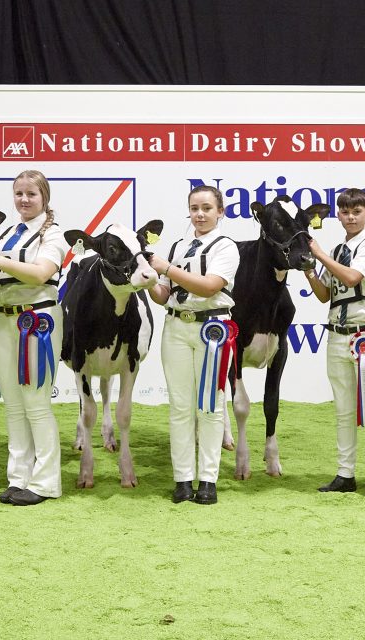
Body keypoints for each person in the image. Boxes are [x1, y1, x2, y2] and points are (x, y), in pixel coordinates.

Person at [0, 169, 69, 506]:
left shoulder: (54, 235)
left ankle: (45, 482)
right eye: (19, 194)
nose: (24, 200)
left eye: (31, 194)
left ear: (45, 197)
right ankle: (19, 478)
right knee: (14, 405)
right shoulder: (7, 232)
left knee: (36, 403)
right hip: (3, 319)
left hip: (38, 320)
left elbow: (42, 273)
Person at [148, 185, 239, 505]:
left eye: (206, 208)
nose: (199, 214)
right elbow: (163, 295)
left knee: (211, 405)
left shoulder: (225, 247)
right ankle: (183, 479)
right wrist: (147, 279)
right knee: (180, 406)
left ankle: (209, 480)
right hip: (176, 326)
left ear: (220, 211)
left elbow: (211, 285)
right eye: (194, 208)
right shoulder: (176, 246)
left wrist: (164, 268)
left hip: (212, 329)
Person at [304, 188, 365, 503]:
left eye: (357, 210)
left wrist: (319, 255)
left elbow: (353, 278)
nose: (351, 216)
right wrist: (309, 270)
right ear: (338, 215)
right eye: (345, 211)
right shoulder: (338, 247)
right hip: (337, 335)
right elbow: (325, 294)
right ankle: (346, 474)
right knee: (343, 410)